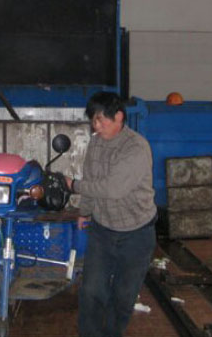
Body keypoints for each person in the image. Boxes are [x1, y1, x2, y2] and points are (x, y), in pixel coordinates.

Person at [65, 91, 157, 337]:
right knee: (91, 291)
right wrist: (85, 211)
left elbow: (113, 189)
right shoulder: (96, 143)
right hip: (103, 230)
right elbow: (91, 176)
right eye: (92, 120)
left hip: (136, 233)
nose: (95, 126)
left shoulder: (136, 147)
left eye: (100, 120)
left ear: (118, 116)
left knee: (123, 296)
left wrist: (74, 186)